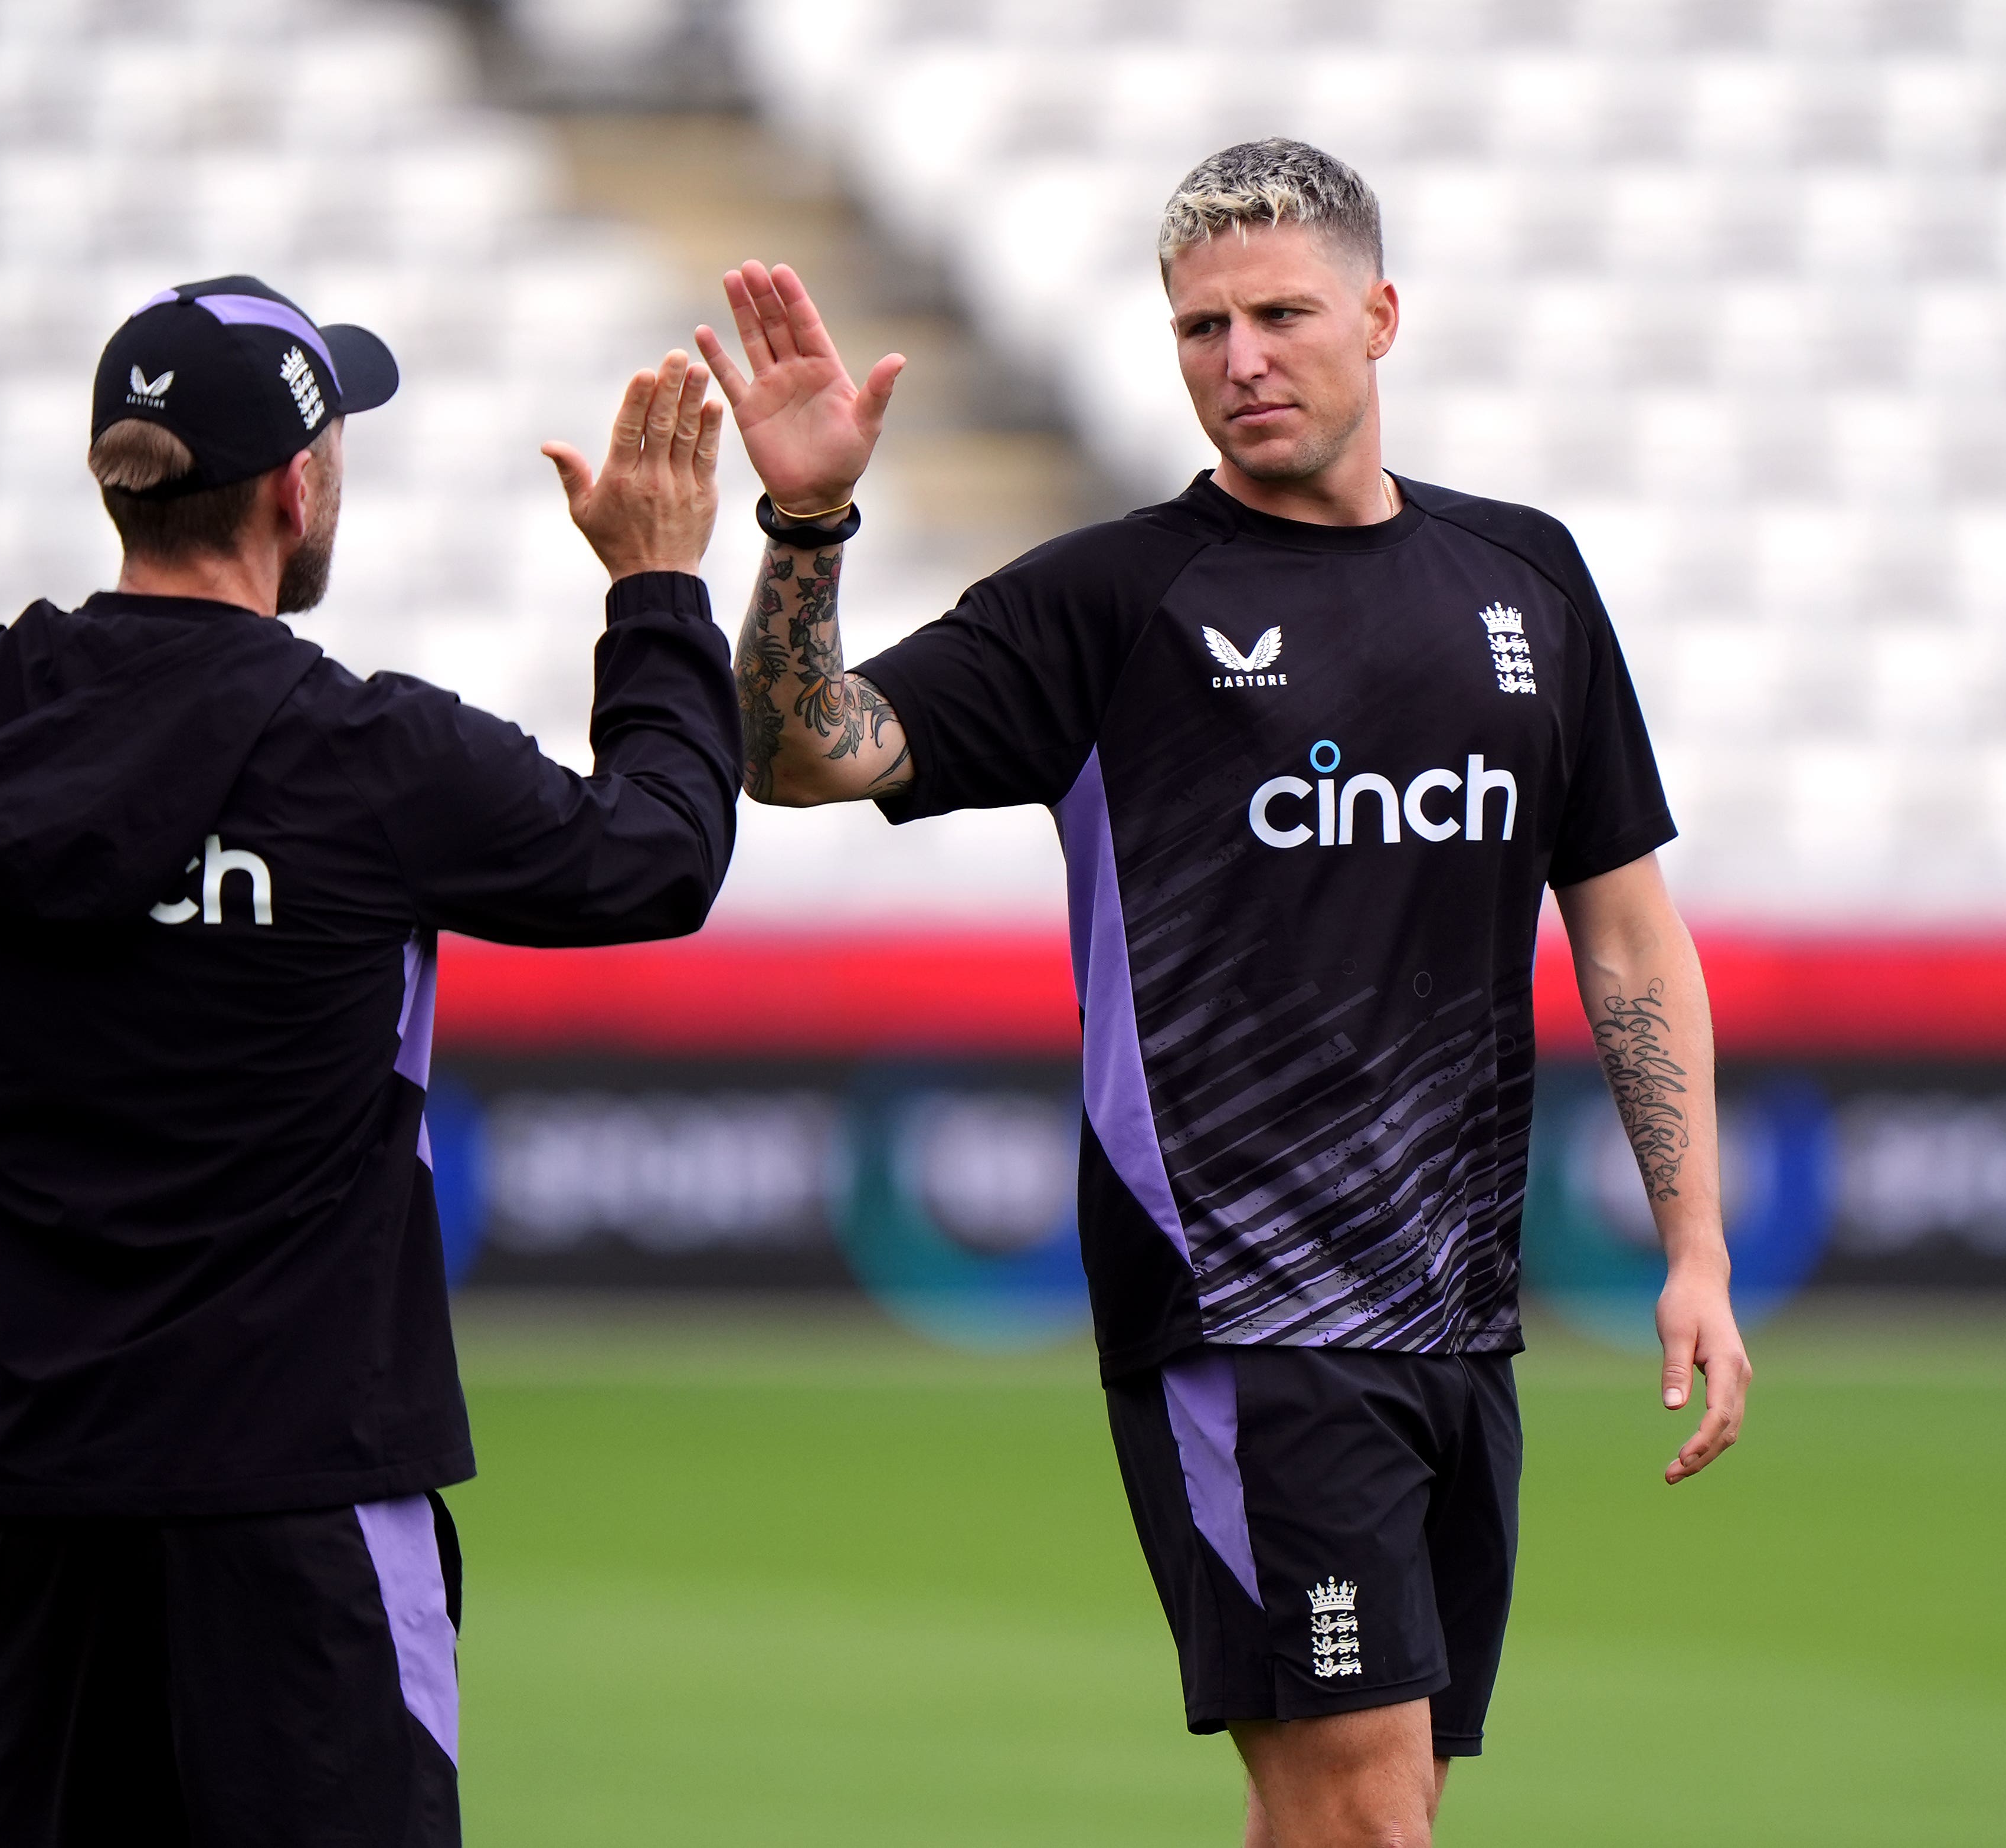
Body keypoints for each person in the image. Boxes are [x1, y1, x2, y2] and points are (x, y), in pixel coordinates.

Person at [698, 142, 1752, 1847]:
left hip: (1453, 1314)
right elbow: (803, 752)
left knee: (1356, 1806)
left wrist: (1693, 1244)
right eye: (1201, 329)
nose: (1239, 359)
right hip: (1242, 1315)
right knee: (1366, 1816)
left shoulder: (1529, 580)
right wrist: (807, 523)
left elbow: (1625, 930)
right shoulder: (1111, 604)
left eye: (1279, 316)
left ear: (1380, 316)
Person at [0, 273, 737, 1846]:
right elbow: (656, 856)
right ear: (293, 490)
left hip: (27, 1502)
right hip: (302, 1494)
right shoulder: (369, 756)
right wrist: (655, 588)